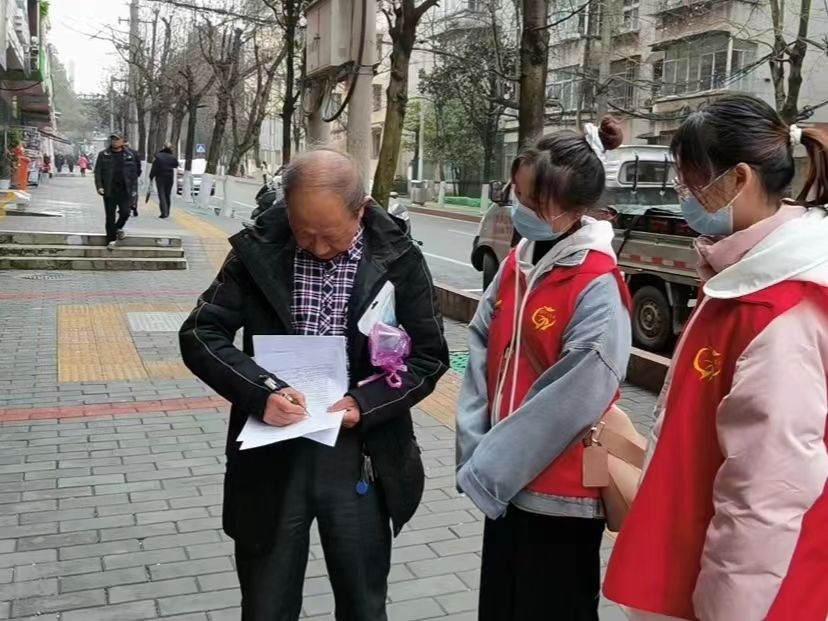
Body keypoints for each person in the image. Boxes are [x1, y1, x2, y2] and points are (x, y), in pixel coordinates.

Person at [179, 148, 449, 621]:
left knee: (363, 603)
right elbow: (201, 332)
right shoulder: (258, 250)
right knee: (266, 602)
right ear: (287, 209)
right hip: (272, 446)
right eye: (305, 233)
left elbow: (429, 357)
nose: (318, 247)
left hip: (360, 452)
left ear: (361, 210)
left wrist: (366, 402)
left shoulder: (399, 258)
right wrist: (261, 391)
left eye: (331, 235)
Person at [604, 94, 828, 621]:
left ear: (740, 179)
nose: (683, 195)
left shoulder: (778, 310)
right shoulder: (743, 280)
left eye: (690, 182)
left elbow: (766, 493)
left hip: (749, 595)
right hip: (702, 566)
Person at [455, 117, 632, 621]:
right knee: (502, 605)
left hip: (560, 494)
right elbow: (480, 346)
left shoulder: (596, 282)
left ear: (573, 207)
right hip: (502, 481)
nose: (520, 208)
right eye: (519, 194)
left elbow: (575, 397)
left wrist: (492, 466)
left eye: (533, 201)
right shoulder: (519, 261)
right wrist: (475, 446)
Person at [94, 133, 140, 249]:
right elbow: (98, 172)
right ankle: (111, 240)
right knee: (110, 216)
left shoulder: (129, 155)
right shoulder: (104, 154)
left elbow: (134, 174)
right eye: (113, 139)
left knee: (125, 212)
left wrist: (134, 189)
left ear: (123, 141)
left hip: (125, 190)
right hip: (109, 190)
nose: (114, 142)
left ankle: (118, 228)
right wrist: (99, 186)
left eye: (117, 139)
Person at [149, 145, 179, 218]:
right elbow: (176, 165)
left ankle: (164, 212)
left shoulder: (158, 157)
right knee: (167, 195)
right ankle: (167, 211)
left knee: (161, 194)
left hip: (160, 177)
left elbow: (154, 167)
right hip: (169, 177)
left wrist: (151, 176)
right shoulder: (172, 157)